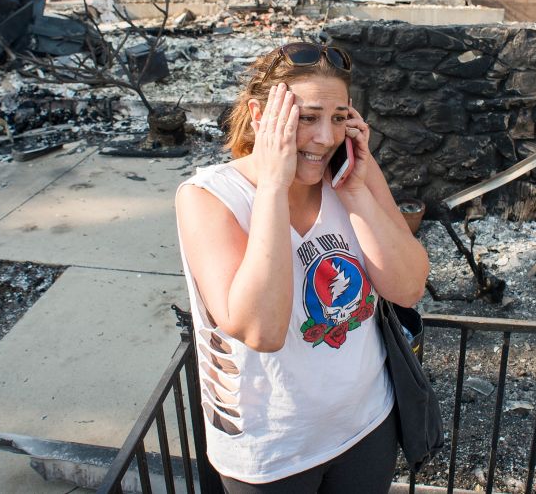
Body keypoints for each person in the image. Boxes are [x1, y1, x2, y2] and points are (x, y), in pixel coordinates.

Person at [174, 42, 430, 493]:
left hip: (367, 424)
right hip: (271, 449)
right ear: (260, 115)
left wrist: (355, 195)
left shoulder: (354, 175)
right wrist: (273, 187)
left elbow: (408, 287)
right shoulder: (209, 198)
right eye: (307, 118)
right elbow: (262, 330)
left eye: (337, 118)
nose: (325, 138)